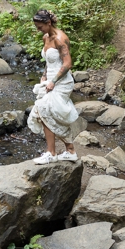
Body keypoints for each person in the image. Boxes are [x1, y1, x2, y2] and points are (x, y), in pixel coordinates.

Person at [26, 10, 86, 165]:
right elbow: (49, 61)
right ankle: (70, 150)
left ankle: (51, 153)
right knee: (48, 113)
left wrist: (53, 81)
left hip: (62, 82)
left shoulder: (60, 39)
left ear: (48, 23)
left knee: (43, 110)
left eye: (40, 27)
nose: (39, 30)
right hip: (50, 80)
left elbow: (67, 64)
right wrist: (45, 76)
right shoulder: (46, 37)